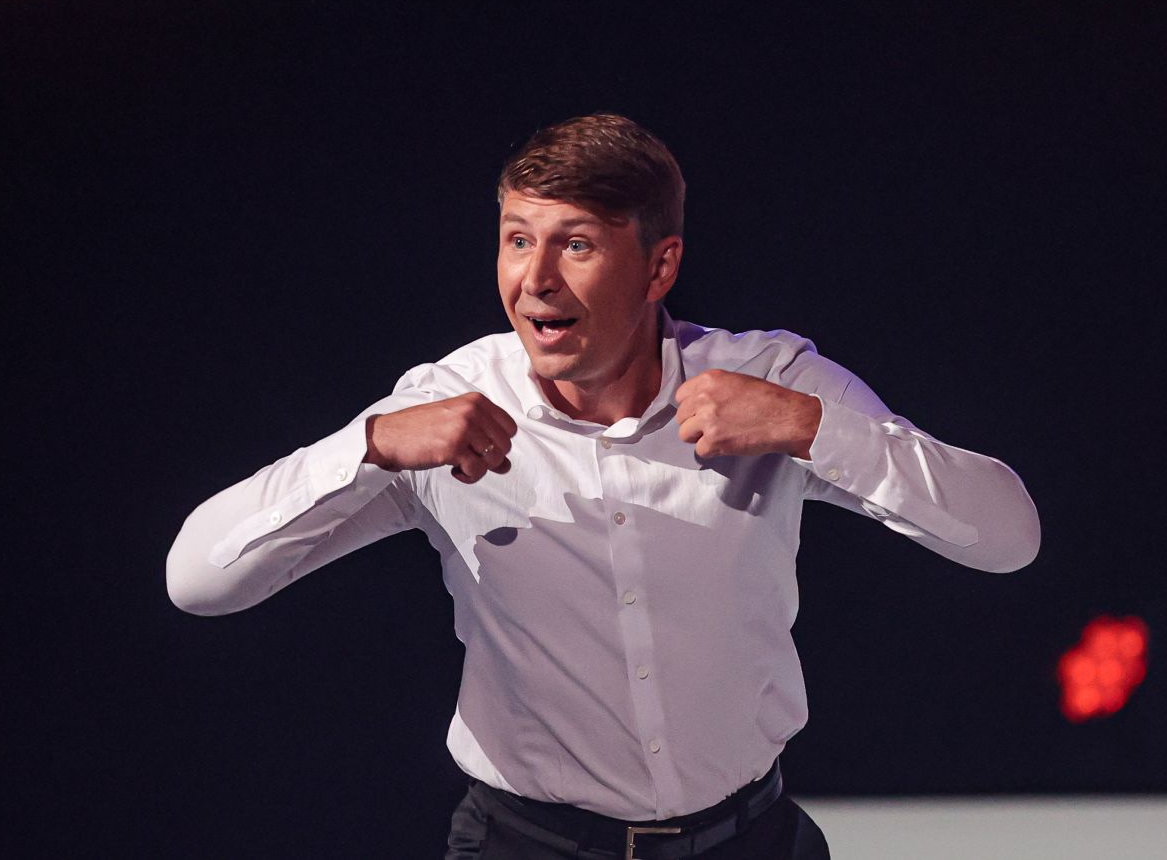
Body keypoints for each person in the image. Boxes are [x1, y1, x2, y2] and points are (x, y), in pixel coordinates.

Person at [166, 114, 1041, 859]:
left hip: (749, 840)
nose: (535, 279)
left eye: (575, 244)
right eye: (518, 239)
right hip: (526, 845)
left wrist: (812, 427)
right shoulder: (444, 407)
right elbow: (198, 582)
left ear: (659, 268)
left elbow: (1008, 537)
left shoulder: (768, 380)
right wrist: (366, 446)